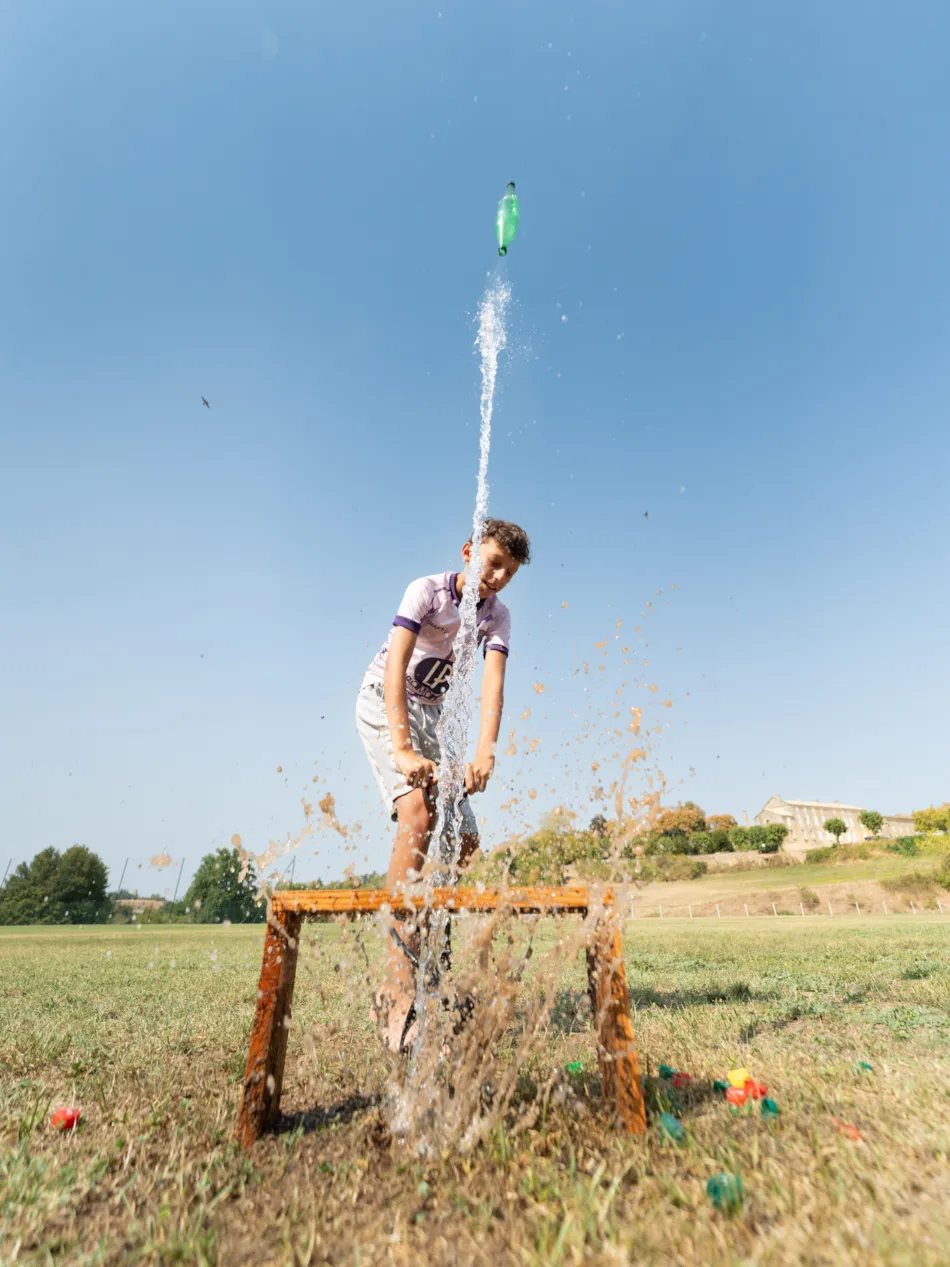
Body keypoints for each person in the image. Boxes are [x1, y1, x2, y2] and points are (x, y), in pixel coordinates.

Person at [356, 518, 530, 1052]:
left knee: (469, 846)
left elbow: (492, 685)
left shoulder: (497, 618)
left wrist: (485, 750)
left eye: (509, 570)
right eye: (492, 562)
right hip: (388, 707)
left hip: (434, 723)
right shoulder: (427, 592)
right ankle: (393, 982)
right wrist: (404, 748)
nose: (497, 576)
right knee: (418, 818)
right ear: (468, 551)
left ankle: (436, 960)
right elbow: (396, 668)